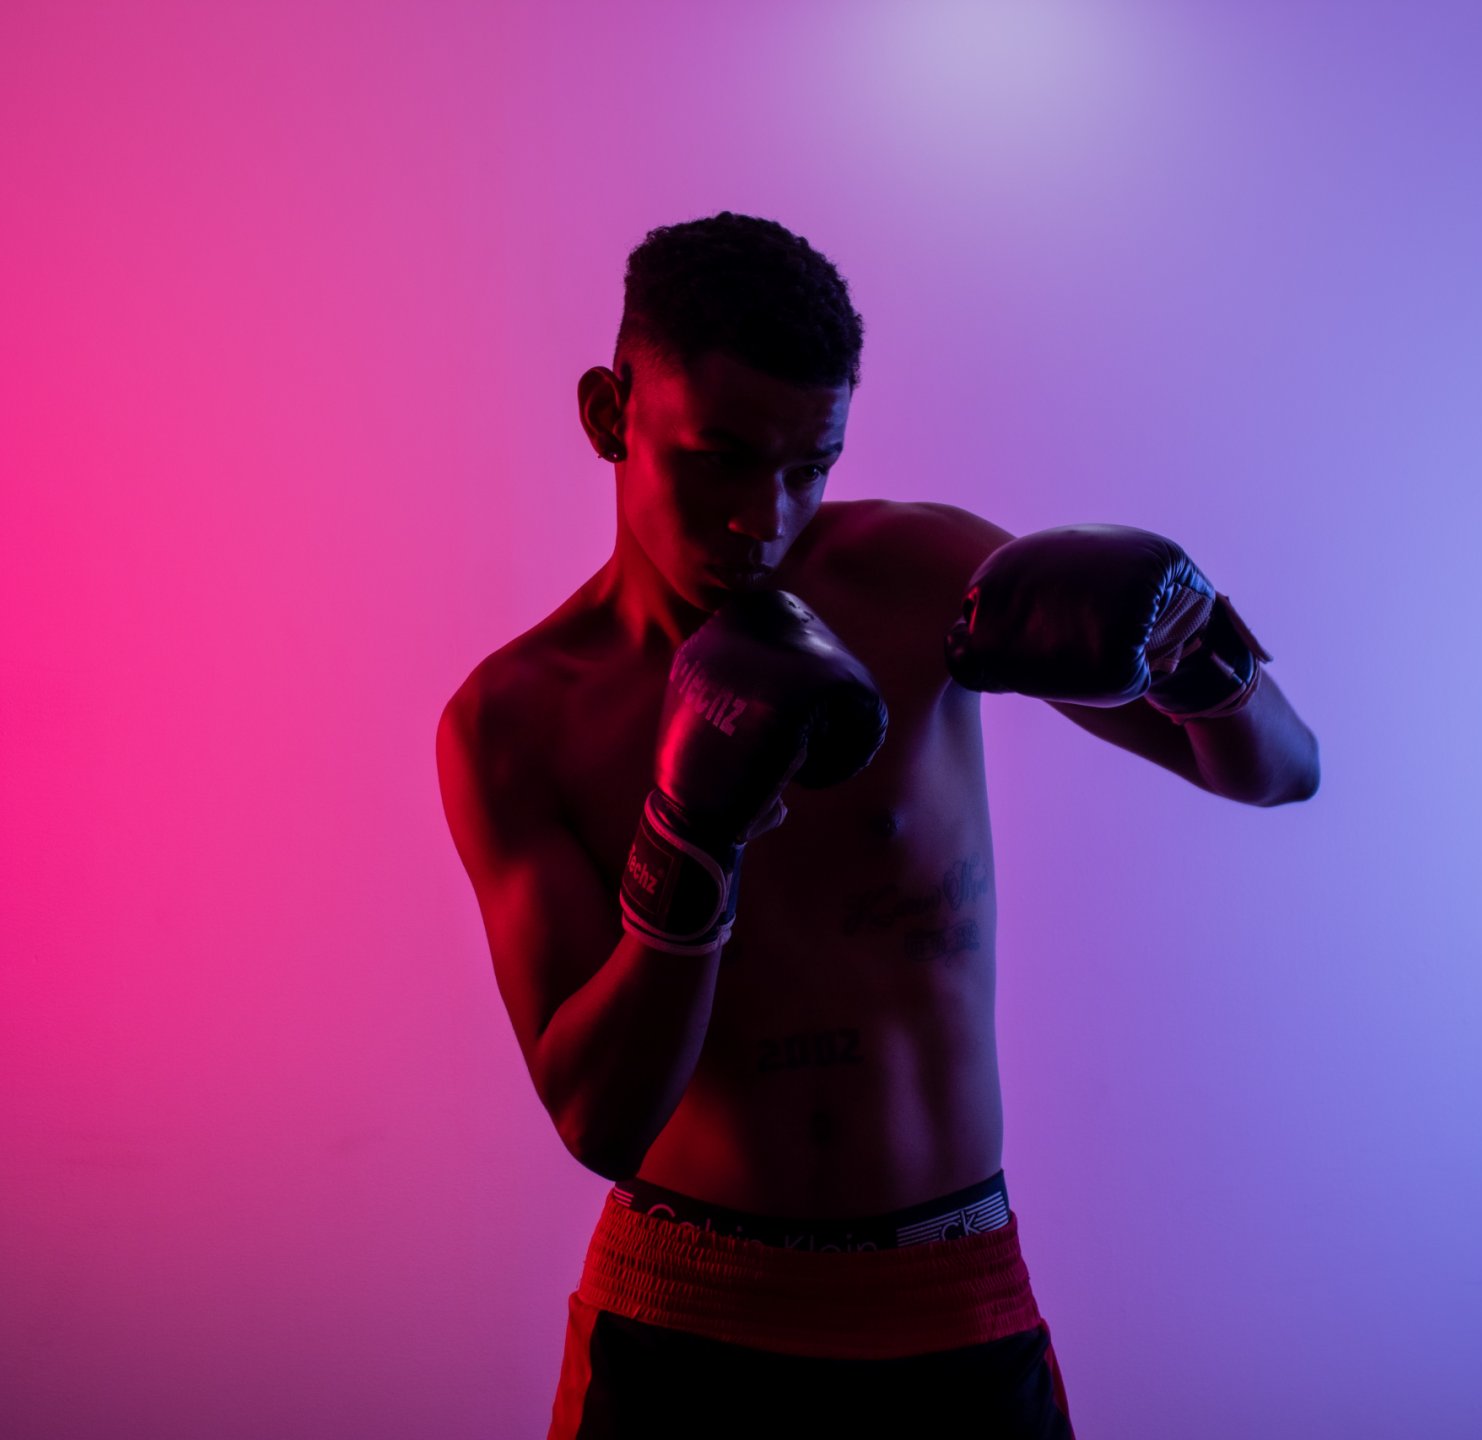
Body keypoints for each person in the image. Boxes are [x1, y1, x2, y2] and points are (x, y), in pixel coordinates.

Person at [436, 212, 1320, 1439]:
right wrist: (688, 839)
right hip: (685, 1324)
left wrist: (1199, 651)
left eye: (811, 465)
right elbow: (599, 1118)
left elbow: (1281, 771)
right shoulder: (517, 718)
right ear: (608, 414)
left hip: (953, 1307)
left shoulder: (920, 576)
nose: (766, 517)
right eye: (719, 459)